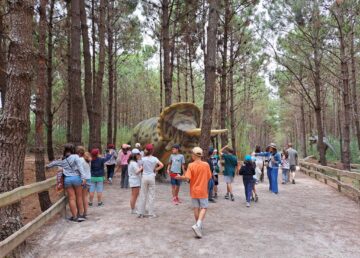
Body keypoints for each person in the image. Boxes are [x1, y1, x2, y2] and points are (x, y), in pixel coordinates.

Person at [175, 147, 212, 238]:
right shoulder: (206, 165)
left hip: (194, 190)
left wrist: (180, 177)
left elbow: (187, 178)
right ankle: (198, 225)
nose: (191, 155)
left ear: (195, 155)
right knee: (204, 207)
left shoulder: (191, 165)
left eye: (192, 154)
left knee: (196, 208)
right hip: (203, 190)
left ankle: (198, 226)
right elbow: (209, 176)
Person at [46, 143, 87, 222]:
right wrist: (83, 177)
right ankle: (81, 215)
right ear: (73, 150)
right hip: (76, 178)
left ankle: (74, 217)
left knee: (71, 198)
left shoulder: (63, 160)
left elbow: (54, 163)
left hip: (67, 180)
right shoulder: (75, 157)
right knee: (79, 197)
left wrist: (48, 166)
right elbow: (80, 167)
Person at [137, 144, 164, 218]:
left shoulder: (143, 159)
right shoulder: (155, 159)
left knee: (143, 194)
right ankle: (151, 214)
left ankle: (140, 213)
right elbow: (161, 165)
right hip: (151, 177)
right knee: (151, 195)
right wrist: (155, 169)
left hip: (144, 177)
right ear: (152, 150)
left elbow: (140, 166)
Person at [76, 146, 92, 218]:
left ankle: (81, 213)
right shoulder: (87, 159)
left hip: (82, 180)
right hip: (88, 179)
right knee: (85, 196)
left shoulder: (79, 160)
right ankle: (85, 212)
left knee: (80, 197)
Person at [128, 148, 143, 214]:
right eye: (138, 154)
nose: (139, 155)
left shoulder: (132, 162)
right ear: (135, 155)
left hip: (134, 180)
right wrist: (142, 167)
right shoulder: (133, 163)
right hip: (134, 180)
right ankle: (132, 209)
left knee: (135, 195)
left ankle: (133, 208)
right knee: (134, 195)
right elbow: (137, 172)